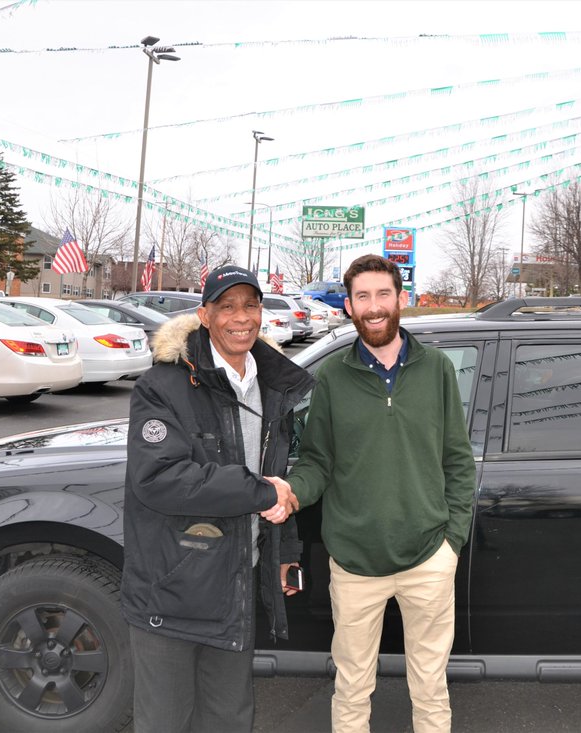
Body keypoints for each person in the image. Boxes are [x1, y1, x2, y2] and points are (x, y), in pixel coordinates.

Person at [270, 254, 476, 733]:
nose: (374, 306)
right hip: (355, 563)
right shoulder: (334, 378)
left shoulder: (438, 370)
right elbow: (318, 462)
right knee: (352, 686)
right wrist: (291, 493)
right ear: (348, 305)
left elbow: (458, 461)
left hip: (428, 557)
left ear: (401, 299)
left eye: (383, 294)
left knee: (429, 687)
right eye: (363, 296)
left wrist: (453, 543)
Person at [121, 264, 313, 733]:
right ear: (205, 316)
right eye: (227, 307)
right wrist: (259, 490)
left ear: (261, 313)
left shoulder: (272, 385)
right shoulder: (162, 385)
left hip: (236, 582)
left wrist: (284, 553)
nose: (240, 317)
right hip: (171, 589)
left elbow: (278, 475)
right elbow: (160, 478)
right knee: (166, 721)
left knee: (229, 719)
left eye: (250, 305)